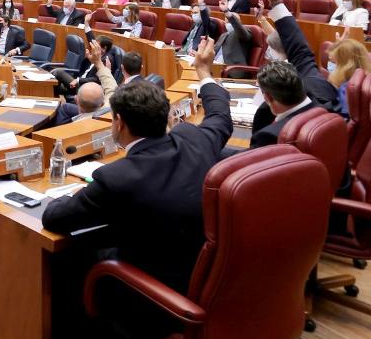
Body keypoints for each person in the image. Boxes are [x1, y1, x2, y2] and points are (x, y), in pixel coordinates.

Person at [42, 37, 232, 307]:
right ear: (167, 116)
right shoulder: (195, 139)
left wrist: (77, 192)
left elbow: (54, 218)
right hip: (210, 276)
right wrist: (203, 72)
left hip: (152, 295)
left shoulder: (117, 177)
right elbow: (220, 115)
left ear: (118, 123)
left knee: (70, 259)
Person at [256, 0, 341, 115]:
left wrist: (275, 1)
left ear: (269, 98)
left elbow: (301, 55)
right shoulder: (318, 90)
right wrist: (275, 2)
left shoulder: (270, 133)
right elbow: (301, 55)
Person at [326, 39, 371, 114]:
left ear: (346, 66)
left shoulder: (347, 89)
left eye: (335, 63)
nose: (332, 67)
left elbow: (343, 117)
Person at [213, 10, 254, 75]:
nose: (229, 22)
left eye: (231, 21)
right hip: (214, 66)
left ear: (239, 22)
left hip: (230, 70)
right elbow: (214, 51)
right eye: (227, 21)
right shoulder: (224, 35)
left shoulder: (244, 32)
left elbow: (240, 29)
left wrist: (230, 16)